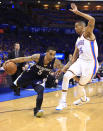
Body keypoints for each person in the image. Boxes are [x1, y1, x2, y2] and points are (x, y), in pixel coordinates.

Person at [56, 3, 99, 110]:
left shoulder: (88, 34)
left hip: (91, 64)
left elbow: (92, 20)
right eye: (74, 27)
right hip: (81, 61)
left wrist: (77, 12)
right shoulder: (77, 40)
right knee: (66, 77)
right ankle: (63, 101)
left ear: (83, 27)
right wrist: (63, 69)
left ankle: (84, 99)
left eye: (76, 26)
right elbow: (73, 59)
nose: (75, 28)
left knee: (80, 86)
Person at [5, 47, 63, 117]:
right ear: (46, 53)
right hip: (29, 75)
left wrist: (60, 69)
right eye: (50, 54)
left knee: (40, 92)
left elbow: (62, 66)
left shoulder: (55, 61)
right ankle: (16, 86)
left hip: (40, 79)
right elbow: (23, 59)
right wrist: (11, 60)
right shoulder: (38, 57)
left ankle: (37, 110)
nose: (52, 56)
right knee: (13, 86)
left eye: (54, 55)